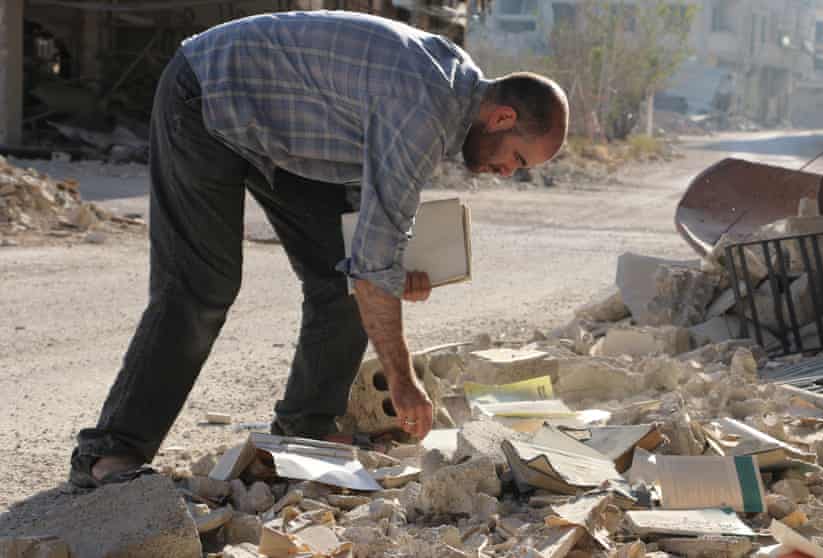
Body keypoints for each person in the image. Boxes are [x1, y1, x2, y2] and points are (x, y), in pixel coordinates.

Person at [69, 10, 568, 488]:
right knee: (202, 286)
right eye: (517, 160)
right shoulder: (425, 109)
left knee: (340, 276)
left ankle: (303, 430)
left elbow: (371, 232)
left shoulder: (456, 87)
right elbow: (373, 261)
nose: (507, 173)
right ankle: (111, 450)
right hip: (207, 92)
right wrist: (402, 378)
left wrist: (390, 270)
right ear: (502, 117)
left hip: (279, 127)